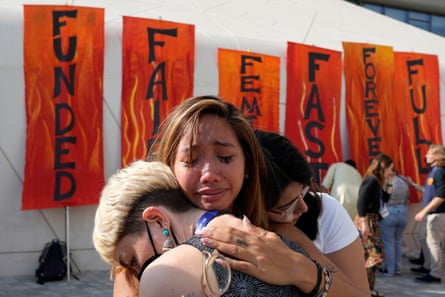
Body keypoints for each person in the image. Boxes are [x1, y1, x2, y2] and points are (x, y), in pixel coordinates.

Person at [113, 95, 368, 296]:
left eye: (225, 157)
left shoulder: (274, 234)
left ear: (246, 167)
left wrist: (301, 270)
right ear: (170, 166)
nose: (209, 174)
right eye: (191, 160)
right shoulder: (138, 255)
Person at [93, 160, 316, 297]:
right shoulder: (270, 237)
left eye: (132, 260)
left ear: (158, 220)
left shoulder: (165, 275)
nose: (137, 276)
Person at [197, 129, 370, 296]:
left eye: (303, 190)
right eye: (286, 206)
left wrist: (302, 269)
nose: (303, 207)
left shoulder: (325, 211)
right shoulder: (218, 229)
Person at [355, 153, 394, 297]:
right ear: (383, 167)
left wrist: (389, 182)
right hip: (367, 221)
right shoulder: (371, 181)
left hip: (373, 220)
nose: (392, 171)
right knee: (375, 255)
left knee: (368, 257)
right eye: (390, 168)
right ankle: (364, 287)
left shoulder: (377, 182)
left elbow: (385, 198)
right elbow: (361, 202)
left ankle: (367, 289)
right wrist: (364, 223)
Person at [380, 170, 423, 276]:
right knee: (398, 241)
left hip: (388, 212)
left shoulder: (385, 181)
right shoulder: (403, 180)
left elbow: (382, 198)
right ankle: (397, 268)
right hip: (403, 211)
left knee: (388, 243)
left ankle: (389, 270)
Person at [412, 144, 445, 283]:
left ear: (437, 156)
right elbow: (429, 192)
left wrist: (423, 211)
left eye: (429, 153)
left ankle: (436, 274)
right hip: (430, 214)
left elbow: (440, 196)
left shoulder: (440, 172)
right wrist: (413, 185)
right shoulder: (433, 171)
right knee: (422, 238)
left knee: (434, 243)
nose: (426, 155)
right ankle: (427, 266)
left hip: (437, 214)